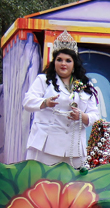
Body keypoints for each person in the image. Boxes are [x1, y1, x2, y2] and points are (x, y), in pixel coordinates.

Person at [22, 31, 100, 168]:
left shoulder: (86, 86)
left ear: (74, 64)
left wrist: (82, 116)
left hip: (74, 148)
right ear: (54, 62)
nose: (63, 64)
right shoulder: (44, 80)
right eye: (59, 60)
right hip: (47, 146)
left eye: (68, 60)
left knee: (73, 186)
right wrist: (45, 103)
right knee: (43, 184)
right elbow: (27, 102)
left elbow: (95, 115)